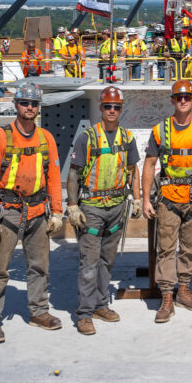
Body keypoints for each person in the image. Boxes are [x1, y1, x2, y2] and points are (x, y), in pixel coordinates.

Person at [0, 82, 64, 344]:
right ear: (16, 105)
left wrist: (57, 212)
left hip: (38, 211)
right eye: (25, 103)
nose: (30, 107)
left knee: (39, 266)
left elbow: (53, 177)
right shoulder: (0, 137)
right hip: (9, 211)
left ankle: (39, 311)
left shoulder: (45, 138)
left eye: (34, 104)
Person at [66, 87, 142, 335]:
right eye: (108, 106)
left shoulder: (127, 138)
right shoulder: (87, 138)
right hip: (92, 209)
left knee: (107, 261)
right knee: (89, 263)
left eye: (116, 107)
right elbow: (74, 173)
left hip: (117, 207)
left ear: (121, 109)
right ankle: (84, 314)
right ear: (101, 108)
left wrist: (137, 199)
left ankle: (100, 304)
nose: (112, 110)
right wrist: (73, 205)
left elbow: (133, 170)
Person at [142, 80, 192, 322]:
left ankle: (183, 290)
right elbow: (150, 165)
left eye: (187, 97)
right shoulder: (160, 130)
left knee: (189, 248)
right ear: (172, 101)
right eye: (178, 98)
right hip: (168, 199)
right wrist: (145, 199)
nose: (183, 101)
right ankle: (167, 296)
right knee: (165, 249)